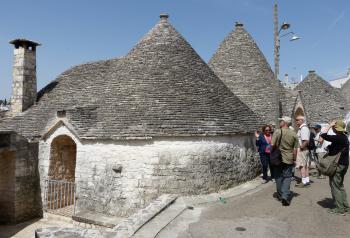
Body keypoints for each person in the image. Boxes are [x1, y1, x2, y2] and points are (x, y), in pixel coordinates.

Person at [320, 120, 349, 215]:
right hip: (344, 164)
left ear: (336, 128)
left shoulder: (338, 137)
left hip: (338, 164)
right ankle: (345, 206)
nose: (333, 128)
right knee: (340, 185)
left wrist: (329, 125)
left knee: (335, 185)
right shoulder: (344, 137)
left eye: (334, 127)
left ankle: (339, 208)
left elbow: (323, 135)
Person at [271, 116, 299, 206]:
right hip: (289, 158)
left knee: (278, 177)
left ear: (285, 123)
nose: (280, 122)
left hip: (277, 158)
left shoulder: (277, 132)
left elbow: (272, 145)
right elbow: (295, 149)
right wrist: (294, 159)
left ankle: (280, 195)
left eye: (281, 121)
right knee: (287, 177)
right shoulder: (294, 134)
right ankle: (285, 196)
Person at [295, 116, 311, 187]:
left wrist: (301, 147)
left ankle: (304, 182)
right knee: (305, 165)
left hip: (302, 149)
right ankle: (306, 181)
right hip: (304, 149)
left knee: (302, 165)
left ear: (302, 120)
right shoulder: (303, 128)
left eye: (297, 120)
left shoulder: (303, 128)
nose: (296, 121)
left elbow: (305, 140)